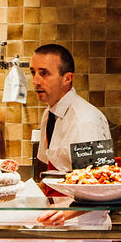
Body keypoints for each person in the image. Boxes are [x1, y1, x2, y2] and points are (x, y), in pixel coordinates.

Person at [29, 42, 111, 178]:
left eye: (44, 73)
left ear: (67, 79)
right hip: (57, 197)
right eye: (33, 73)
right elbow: (49, 165)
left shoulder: (85, 121)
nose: (35, 81)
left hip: (79, 199)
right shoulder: (49, 114)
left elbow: (96, 182)